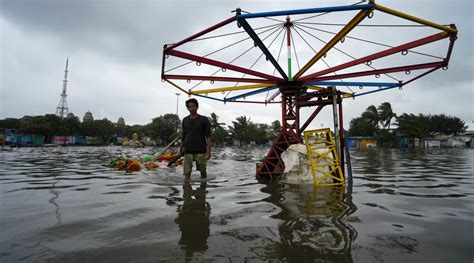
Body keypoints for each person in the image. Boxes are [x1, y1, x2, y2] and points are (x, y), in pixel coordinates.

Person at [179, 98, 211, 181]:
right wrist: (180, 149)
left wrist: (208, 152)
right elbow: (183, 135)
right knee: (187, 173)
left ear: (197, 107)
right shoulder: (185, 120)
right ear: (187, 108)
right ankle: (187, 190)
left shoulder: (204, 119)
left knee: (203, 172)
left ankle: (203, 188)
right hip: (188, 150)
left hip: (200, 150)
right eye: (190, 107)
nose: (192, 108)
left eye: (194, 106)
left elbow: (208, 136)